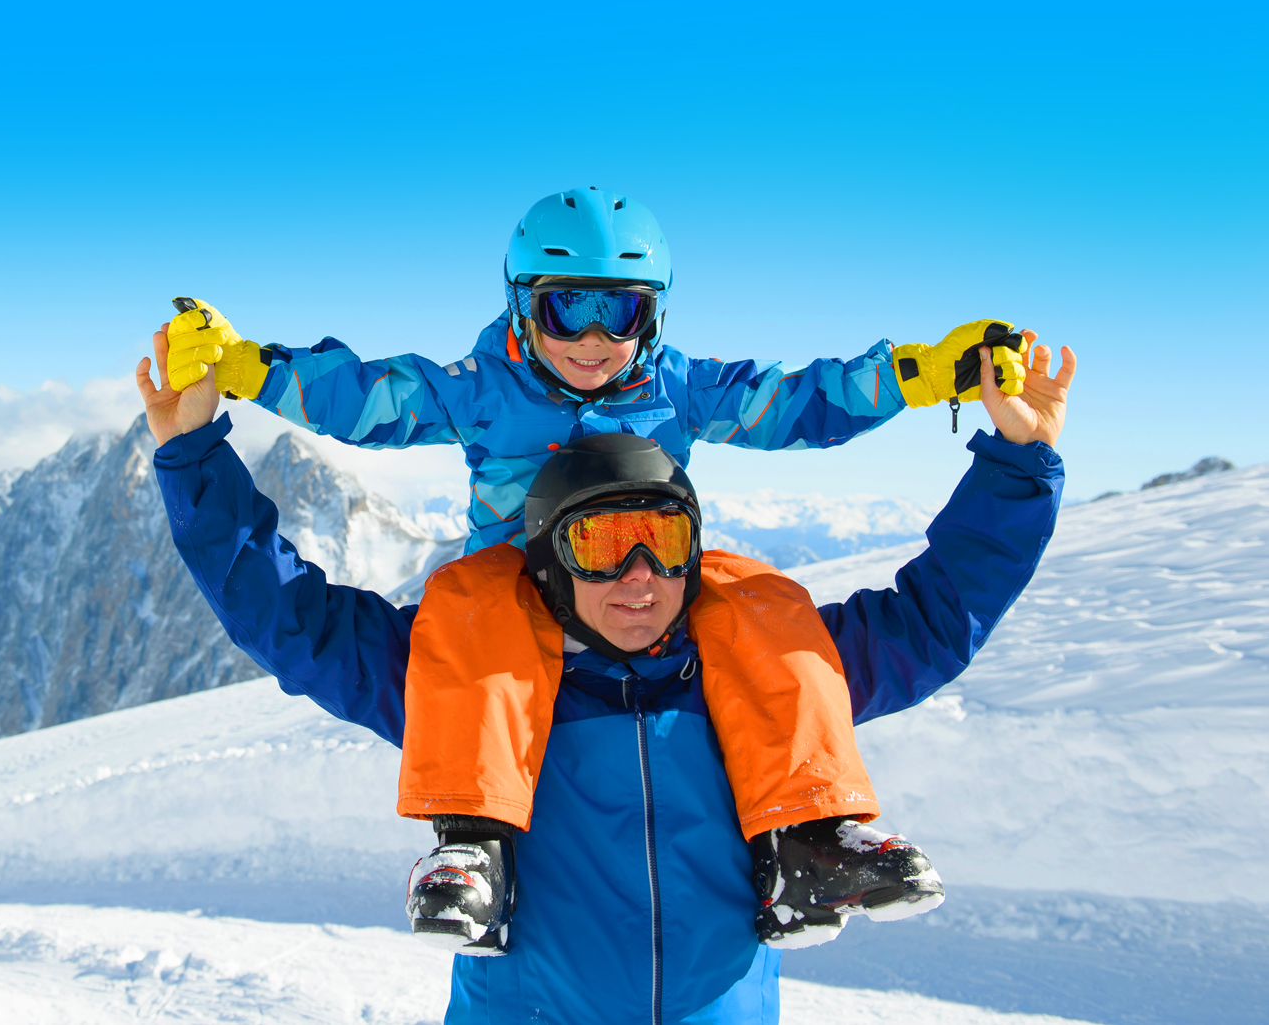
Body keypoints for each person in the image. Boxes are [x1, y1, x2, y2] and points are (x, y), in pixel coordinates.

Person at [159, 187, 1028, 950]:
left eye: (622, 313)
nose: (594, 339)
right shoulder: (479, 388)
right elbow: (361, 399)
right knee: (470, 613)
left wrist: (918, 377)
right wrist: (246, 370)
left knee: (755, 606)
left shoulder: (679, 386)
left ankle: (806, 837)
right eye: (565, 308)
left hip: (653, 582)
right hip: (519, 591)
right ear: (520, 305)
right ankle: (477, 839)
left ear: (656, 315)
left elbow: (798, 403)